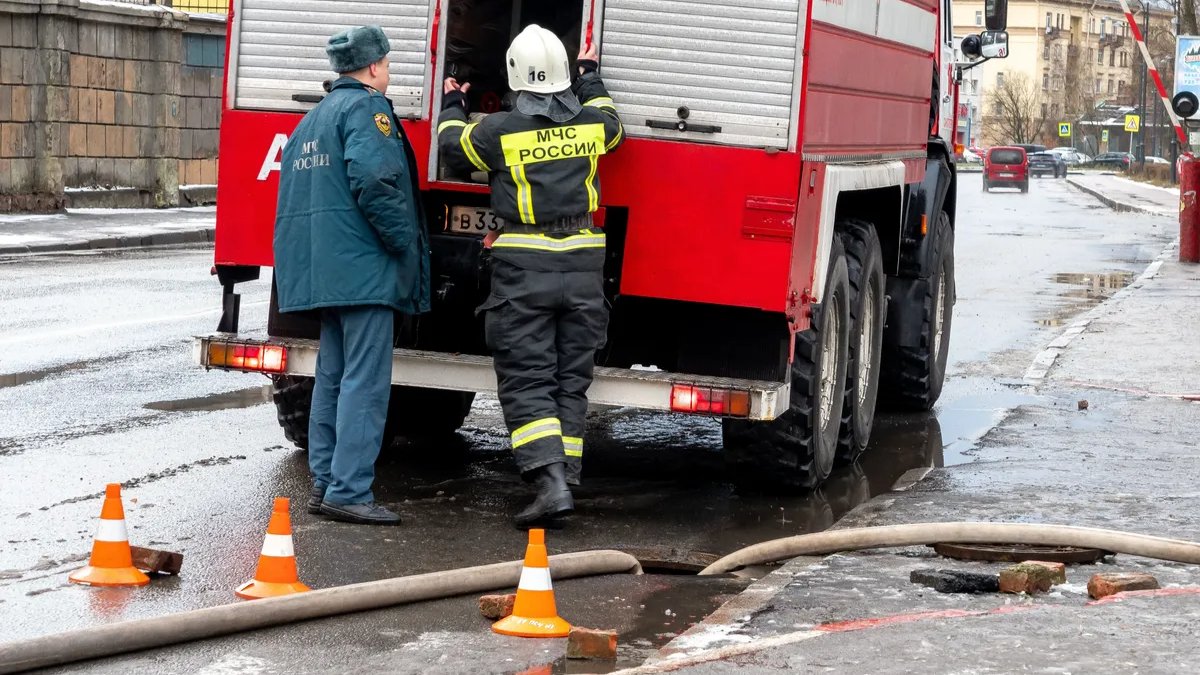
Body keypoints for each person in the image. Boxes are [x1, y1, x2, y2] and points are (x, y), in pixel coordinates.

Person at [438, 25, 624, 528]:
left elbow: (452, 147)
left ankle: (549, 485)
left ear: (516, 76)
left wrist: (454, 102)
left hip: (525, 271)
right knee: (570, 379)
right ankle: (565, 476)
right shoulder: (593, 125)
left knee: (527, 380)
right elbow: (613, 123)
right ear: (563, 73)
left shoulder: (498, 131)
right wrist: (590, 76)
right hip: (583, 269)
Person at [273, 25, 430, 526]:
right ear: (375, 66)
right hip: (365, 272)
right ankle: (349, 490)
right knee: (365, 383)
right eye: (388, 64)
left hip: (327, 273)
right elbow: (376, 181)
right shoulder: (367, 110)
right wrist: (404, 243)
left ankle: (326, 482)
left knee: (332, 379)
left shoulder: (312, 119)